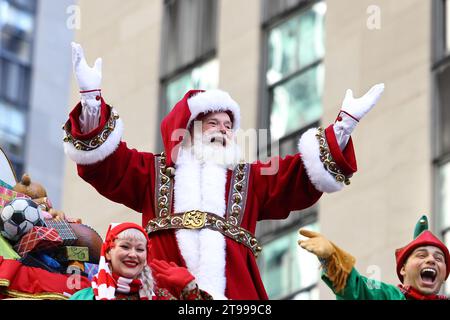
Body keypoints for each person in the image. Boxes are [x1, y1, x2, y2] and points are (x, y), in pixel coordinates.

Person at [63, 42, 385, 299]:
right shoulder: (154, 172)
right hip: (164, 292)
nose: (222, 130)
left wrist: (342, 127)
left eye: (228, 126)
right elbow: (107, 166)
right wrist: (92, 101)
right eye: (213, 123)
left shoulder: (250, 180)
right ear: (189, 130)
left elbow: (298, 175)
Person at [298, 215, 449, 300]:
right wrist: (330, 260)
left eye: (439, 258)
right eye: (421, 255)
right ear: (403, 269)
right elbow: (357, 289)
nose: (431, 260)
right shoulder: (388, 297)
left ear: (444, 277)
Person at [70, 222, 212, 300]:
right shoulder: (83, 297)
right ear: (108, 252)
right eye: (125, 247)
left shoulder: (160, 297)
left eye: (139, 249)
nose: (133, 254)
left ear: (145, 259)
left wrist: (190, 289)